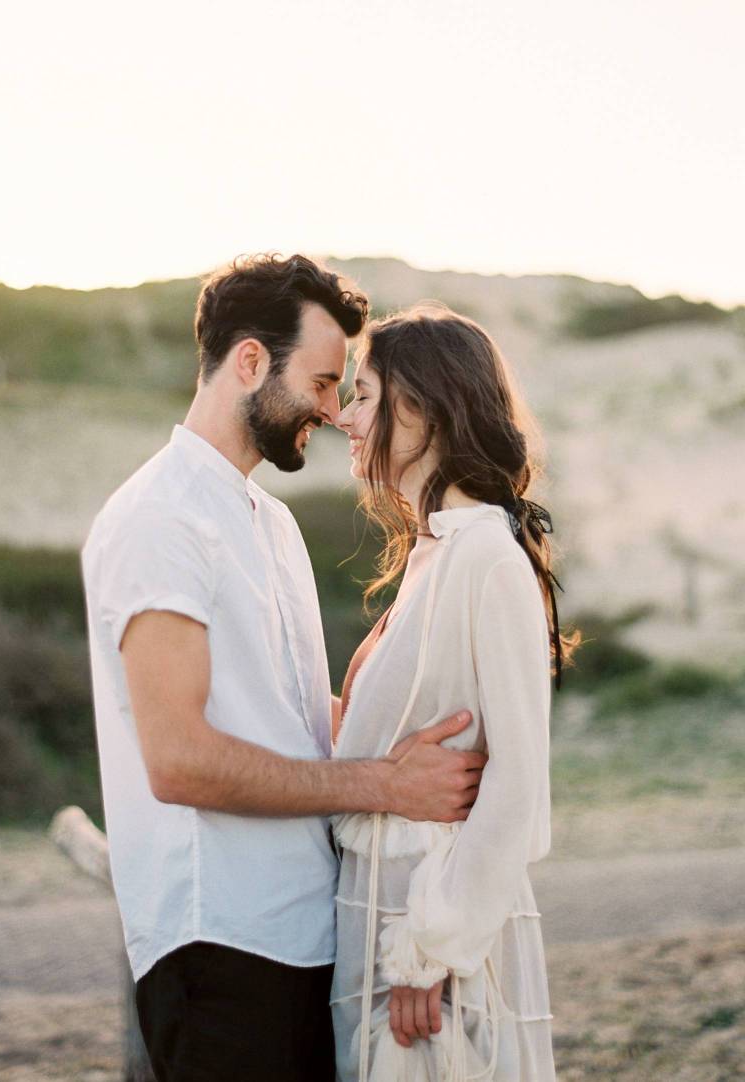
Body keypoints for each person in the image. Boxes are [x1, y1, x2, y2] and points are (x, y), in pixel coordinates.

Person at [81, 255, 486, 1082]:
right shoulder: (160, 520)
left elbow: (296, 720)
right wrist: (384, 783)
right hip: (219, 948)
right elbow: (179, 760)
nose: (337, 412)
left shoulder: (269, 523)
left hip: (305, 935)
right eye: (325, 382)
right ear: (252, 362)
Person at [331, 304, 577, 1081]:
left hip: (432, 950)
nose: (344, 416)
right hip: (374, 914)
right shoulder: (432, 553)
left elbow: (518, 782)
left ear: (424, 409)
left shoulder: (488, 559)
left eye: (363, 393)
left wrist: (429, 949)